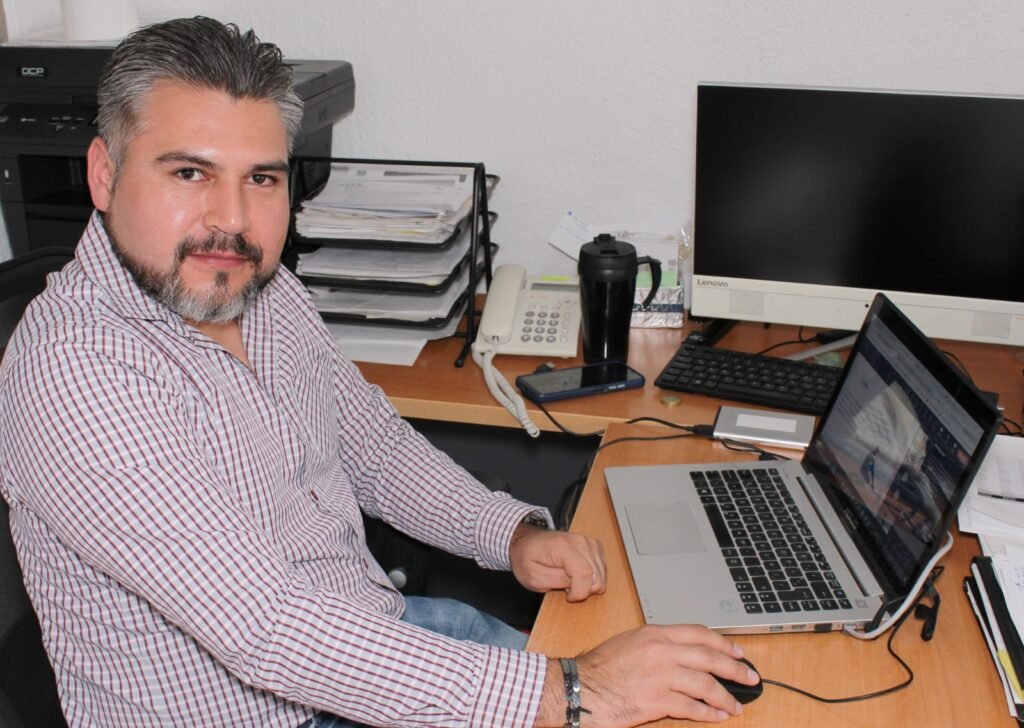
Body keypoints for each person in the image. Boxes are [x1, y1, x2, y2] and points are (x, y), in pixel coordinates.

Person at [0, 16, 759, 727]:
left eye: (261, 179)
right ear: (104, 174)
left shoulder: (260, 289)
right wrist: (575, 691)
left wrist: (510, 534)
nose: (231, 219)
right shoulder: (75, 372)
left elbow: (375, 449)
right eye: (191, 173)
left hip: (380, 639)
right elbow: (267, 627)